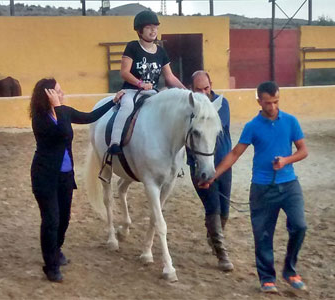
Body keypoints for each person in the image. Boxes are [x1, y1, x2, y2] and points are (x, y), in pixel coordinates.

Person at [200, 81, 308, 293]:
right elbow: (234, 154)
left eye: (276, 101)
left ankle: (290, 270)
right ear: (259, 101)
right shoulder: (252, 126)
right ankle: (267, 278)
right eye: (268, 103)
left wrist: (286, 160)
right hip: (261, 187)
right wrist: (213, 176)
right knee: (263, 234)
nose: (273, 107)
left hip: (289, 185)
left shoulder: (291, 121)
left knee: (300, 226)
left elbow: (303, 150)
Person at [30, 78, 121, 282]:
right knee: (51, 220)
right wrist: (57, 107)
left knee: (64, 219)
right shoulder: (40, 118)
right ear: (48, 95)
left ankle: (56, 249)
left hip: (65, 176)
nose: (62, 94)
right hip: (45, 176)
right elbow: (62, 131)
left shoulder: (64, 111)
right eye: (58, 91)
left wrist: (113, 101)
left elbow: (89, 116)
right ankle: (50, 265)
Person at [108, 10, 185, 155]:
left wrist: (185, 90)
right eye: (149, 27)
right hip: (132, 91)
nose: (153, 30)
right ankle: (115, 142)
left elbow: (169, 77)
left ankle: (172, 152)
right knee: (127, 107)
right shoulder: (133, 47)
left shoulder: (161, 52)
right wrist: (140, 83)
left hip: (152, 92)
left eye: (155, 27)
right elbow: (124, 72)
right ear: (139, 30)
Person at [187, 70, 234, 272]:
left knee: (225, 211)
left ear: (211, 84)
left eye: (207, 88)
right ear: (192, 89)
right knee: (212, 207)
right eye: (199, 89)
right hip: (201, 166)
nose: (204, 93)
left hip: (223, 165)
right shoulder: (188, 109)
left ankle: (213, 237)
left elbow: (213, 126)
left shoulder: (222, 105)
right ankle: (221, 253)